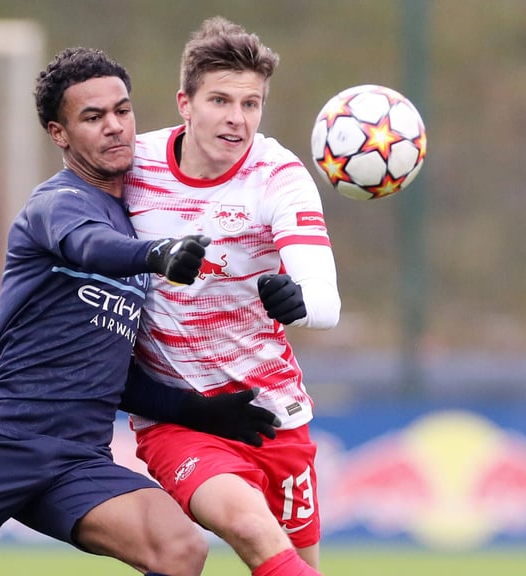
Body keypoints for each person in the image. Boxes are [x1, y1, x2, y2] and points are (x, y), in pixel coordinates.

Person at [0, 46, 279, 576]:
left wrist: (200, 412)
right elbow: (89, 246)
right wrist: (156, 254)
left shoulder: (136, 219)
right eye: (92, 116)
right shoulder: (58, 203)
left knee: (180, 548)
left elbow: (112, 376)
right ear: (58, 133)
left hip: (77, 458)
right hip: (0, 440)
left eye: (122, 110)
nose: (114, 126)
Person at [125, 17, 341, 576]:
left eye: (251, 104)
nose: (236, 119)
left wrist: (299, 301)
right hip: (181, 418)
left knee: (296, 561)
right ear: (185, 103)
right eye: (220, 100)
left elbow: (325, 299)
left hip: (273, 413)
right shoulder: (134, 167)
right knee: (249, 527)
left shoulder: (279, 175)